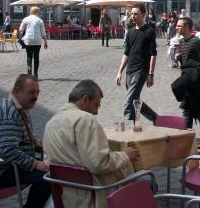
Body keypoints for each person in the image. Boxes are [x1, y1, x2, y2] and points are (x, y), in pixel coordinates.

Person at [43, 80, 139, 208]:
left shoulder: (51, 123)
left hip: (65, 194)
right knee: (146, 180)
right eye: (96, 105)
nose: (97, 112)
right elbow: (98, 164)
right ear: (85, 99)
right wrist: (125, 156)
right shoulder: (85, 119)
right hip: (93, 194)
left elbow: (48, 162)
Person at [0, 74, 50, 207]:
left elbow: (17, 137)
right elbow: (8, 150)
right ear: (17, 91)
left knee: (52, 168)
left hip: (7, 166)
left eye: (37, 92)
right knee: (47, 178)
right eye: (31, 92)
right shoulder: (10, 114)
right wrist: (36, 164)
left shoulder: (19, 107)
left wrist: (35, 145)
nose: (36, 97)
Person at [115, 3, 158, 123]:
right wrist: (120, 72)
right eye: (132, 14)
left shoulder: (149, 31)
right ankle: (155, 118)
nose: (133, 16)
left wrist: (151, 74)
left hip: (141, 71)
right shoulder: (130, 32)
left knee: (129, 102)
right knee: (135, 100)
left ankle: (129, 123)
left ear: (143, 14)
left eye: (136, 14)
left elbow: (153, 54)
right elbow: (126, 53)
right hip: (130, 70)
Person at [174, 17, 200, 143]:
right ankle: (193, 138)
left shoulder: (196, 42)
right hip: (187, 80)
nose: (177, 27)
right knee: (191, 110)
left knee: (194, 110)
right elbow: (188, 62)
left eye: (179, 26)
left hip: (197, 83)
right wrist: (179, 58)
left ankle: (194, 138)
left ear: (187, 27)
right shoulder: (182, 42)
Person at [19, 6, 48, 78]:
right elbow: (43, 32)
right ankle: (35, 73)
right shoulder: (40, 20)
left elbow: (20, 29)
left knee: (29, 56)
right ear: (37, 12)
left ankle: (29, 73)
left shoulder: (26, 19)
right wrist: (45, 42)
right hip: (37, 40)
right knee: (36, 56)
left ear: (30, 11)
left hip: (28, 40)